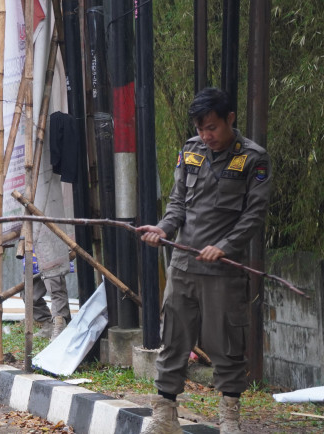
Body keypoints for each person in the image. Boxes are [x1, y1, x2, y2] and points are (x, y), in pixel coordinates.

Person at [137, 88, 271, 434]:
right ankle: (164, 415)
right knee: (174, 341)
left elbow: (253, 217)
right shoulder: (190, 150)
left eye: (212, 128)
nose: (206, 136)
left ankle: (229, 418)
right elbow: (177, 203)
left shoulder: (254, 159)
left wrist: (225, 246)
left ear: (230, 119)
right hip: (183, 267)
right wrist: (163, 229)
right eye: (200, 129)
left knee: (228, 345)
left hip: (223, 273)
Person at [23, 251, 72, 341]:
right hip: (32, 256)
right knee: (29, 295)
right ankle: (48, 326)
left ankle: (60, 325)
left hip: (51, 253)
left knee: (55, 289)